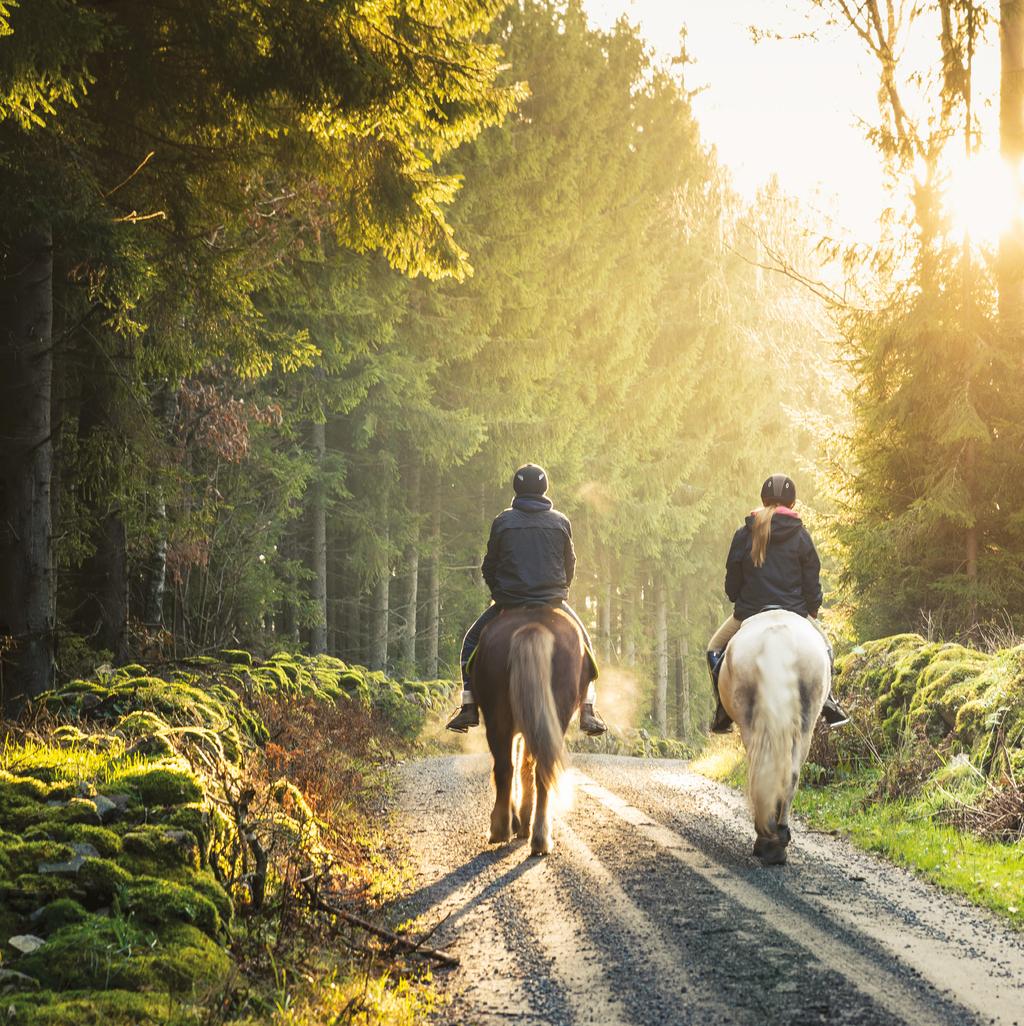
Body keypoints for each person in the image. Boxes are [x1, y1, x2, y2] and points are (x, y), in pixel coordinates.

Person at [446, 463, 608, 736]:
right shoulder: (560, 522)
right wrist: (559, 591)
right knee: (587, 649)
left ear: (517, 488)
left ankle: (469, 706)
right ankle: (588, 711)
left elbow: (489, 566)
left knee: (470, 643)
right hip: (551, 603)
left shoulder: (502, 522)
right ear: (544, 489)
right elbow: (570, 565)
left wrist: (500, 593)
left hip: (509, 603)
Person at [706, 473, 849, 734]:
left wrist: (744, 599)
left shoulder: (743, 534)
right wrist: (812, 608)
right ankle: (829, 702)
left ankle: (722, 711)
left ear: (763, 499)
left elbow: (731, 587)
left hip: (749, 612)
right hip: (794, 611)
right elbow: (811, 582)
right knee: (826, 650)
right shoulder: (801, 535)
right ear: (792, 503)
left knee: (714, 650)